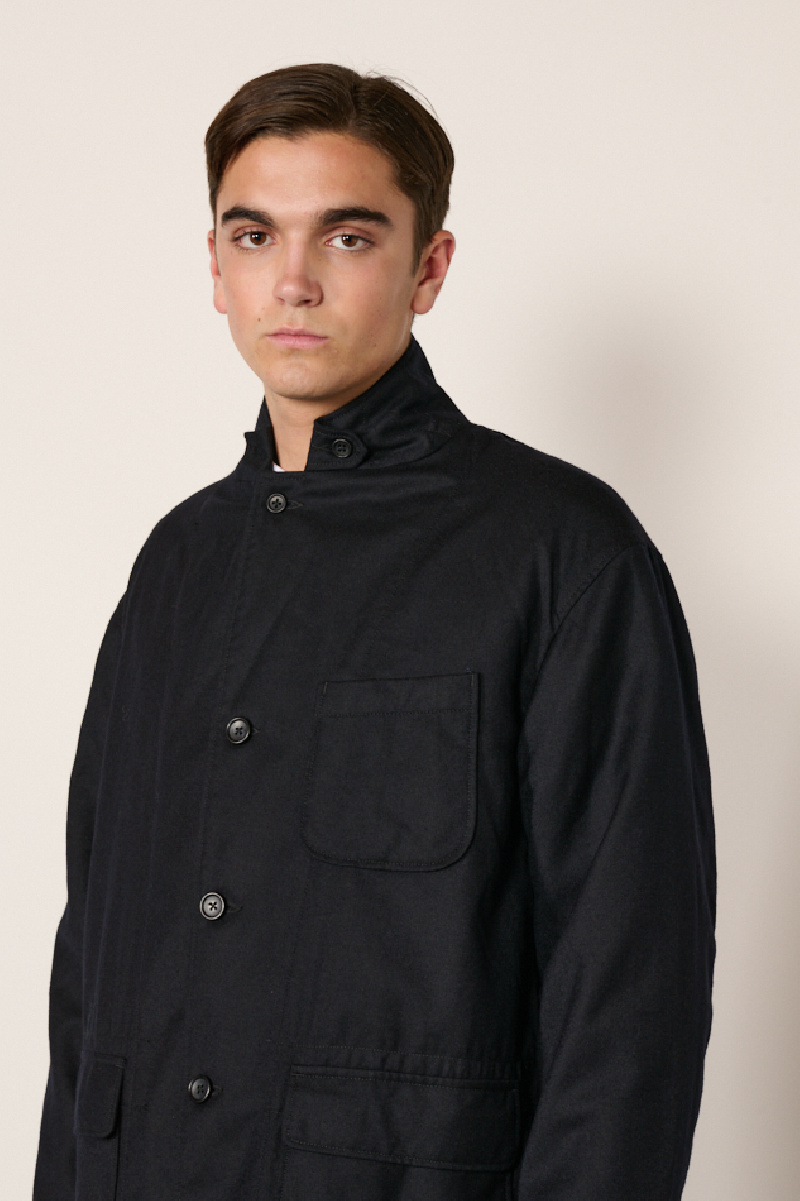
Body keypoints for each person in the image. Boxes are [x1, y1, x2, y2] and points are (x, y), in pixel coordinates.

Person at [33, 63, 716, 1201]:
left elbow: (628, 992)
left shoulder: (558, 551)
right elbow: (89, 964)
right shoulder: (175, 564)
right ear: (215, 268)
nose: (293, 281)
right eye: (254, 236)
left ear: (428, 266)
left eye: (347, 237)